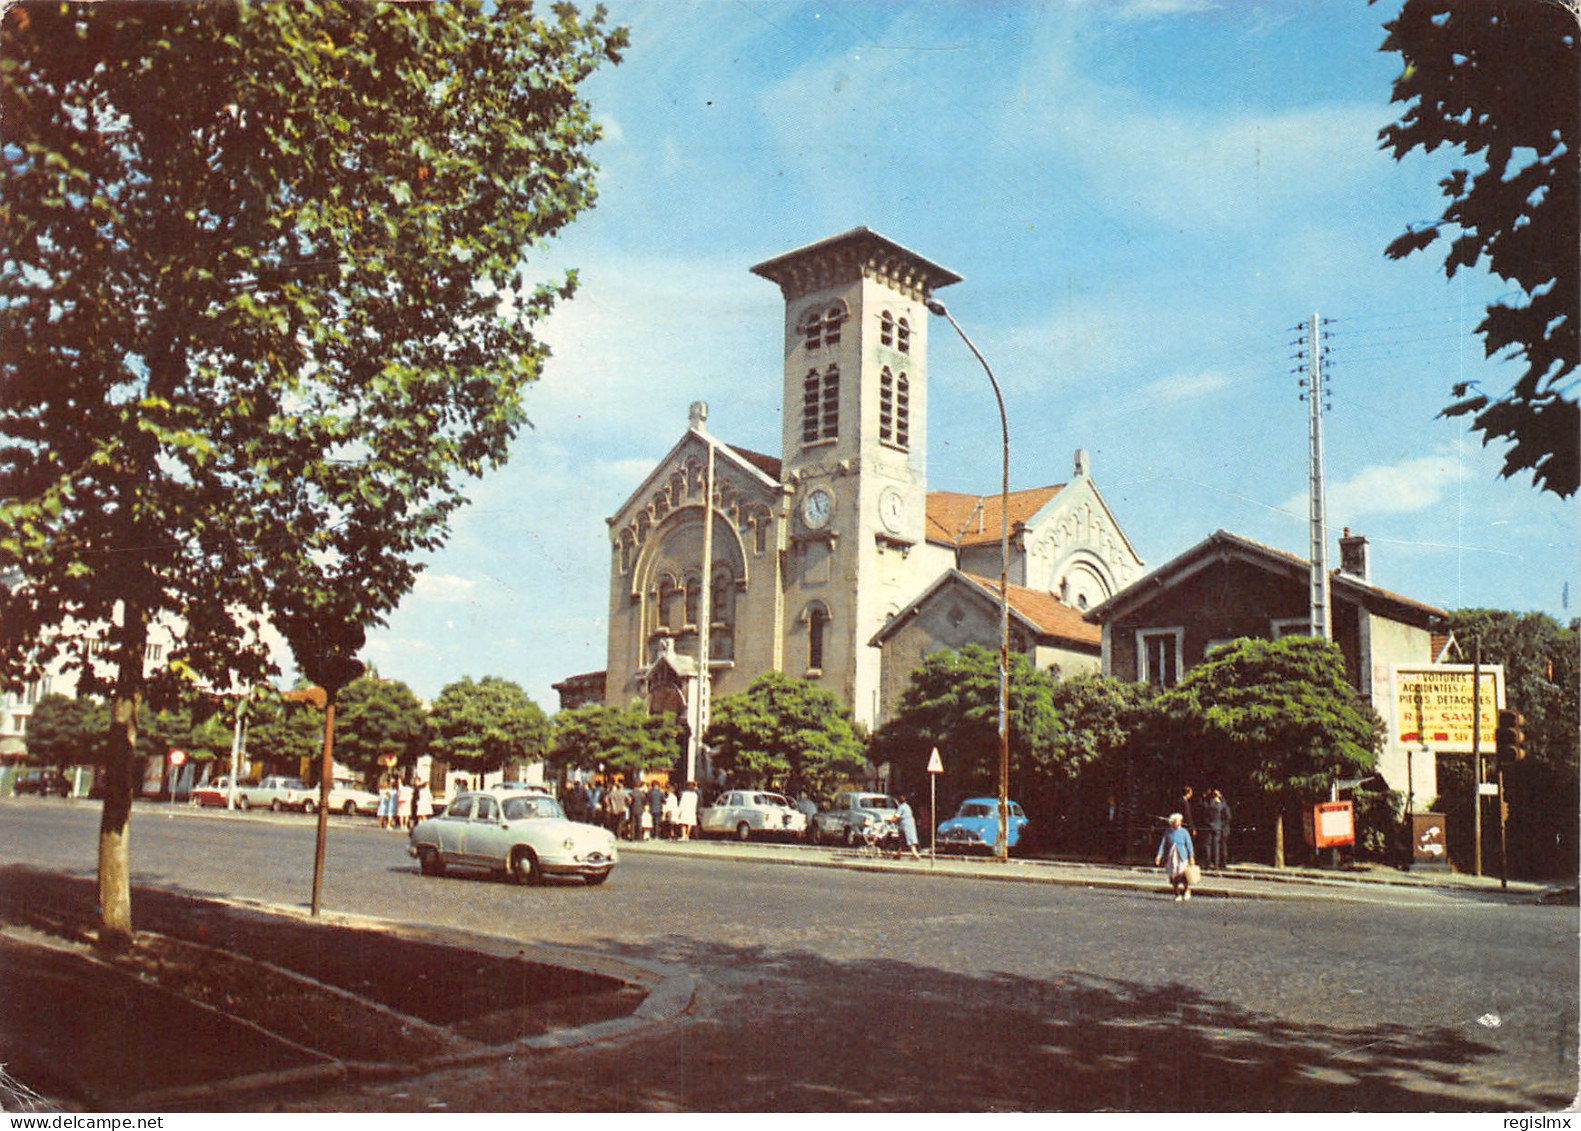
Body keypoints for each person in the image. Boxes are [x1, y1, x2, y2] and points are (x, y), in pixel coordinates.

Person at [1155, 812, 1196, 902]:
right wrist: (1159, 856)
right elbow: (1163, 844)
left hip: (1182, 856)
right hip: (1171, 857)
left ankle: (1186, 890)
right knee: (1173, 876)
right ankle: (1177, 893)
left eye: (1179, 821)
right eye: (1177, 821)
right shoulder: (1168, 832)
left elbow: (1189, 844)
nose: (1179, 823)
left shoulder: (1184, 832)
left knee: (1183, 875)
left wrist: (1191, 856)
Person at [1204, 788, 1232, 869]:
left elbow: (1205, 815)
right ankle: (1216, 863)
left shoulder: (1209, 805)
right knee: (1216, 846)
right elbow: (1228, 816)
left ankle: (1207, 863)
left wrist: (1208, 823)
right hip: (1218, 826)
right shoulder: (1222, 805)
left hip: (1209, 826)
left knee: (1208, 845)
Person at [895, 793, 921, 860]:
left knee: (909, 840)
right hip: (910, 824)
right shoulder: (907, 806)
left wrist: (890, 821)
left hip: (905, 825)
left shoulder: (901, 807)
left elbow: (896, 816)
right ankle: (898, 854)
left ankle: (915, 854)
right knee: (903, 840)